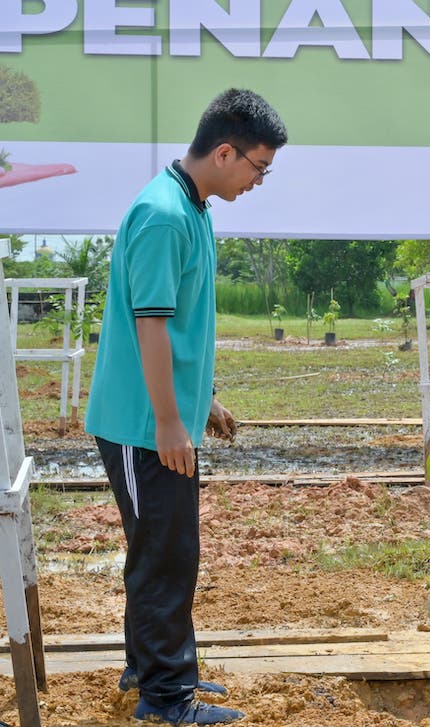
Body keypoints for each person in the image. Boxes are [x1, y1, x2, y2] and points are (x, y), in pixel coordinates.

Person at [85, 89, 287, 725]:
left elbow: (178, 328)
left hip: (162, 420)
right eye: (259, 167)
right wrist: (171, 422)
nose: (260, 180)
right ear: (224, 152)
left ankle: (152, 669)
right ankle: (165, 699)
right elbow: (149, 328)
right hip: (143, 427)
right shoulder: (165, 215)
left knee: (163, 552)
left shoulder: (192, 206)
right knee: (165, 559)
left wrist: (204, 401)